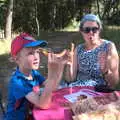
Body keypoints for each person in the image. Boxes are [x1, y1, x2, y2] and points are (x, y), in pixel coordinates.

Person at [4, 33, 68, 120]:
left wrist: (61, 65)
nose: (36, 57)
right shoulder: (18, 81)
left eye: (37, 52)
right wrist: (51, 74)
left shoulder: (33, 73)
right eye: (30, 53)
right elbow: (43, 104)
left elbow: (53, 87)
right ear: (16, 59)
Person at [65, 14, 119, 88]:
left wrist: (105, 70)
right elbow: (70, 80)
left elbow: (114, 83)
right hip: (77, 90)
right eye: (87, 30)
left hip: (98, 91)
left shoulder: (108, 47)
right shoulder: (79, 49)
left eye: (94, 29)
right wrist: (68, 64)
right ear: (81, 31)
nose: (91, 32)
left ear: (99, 30)